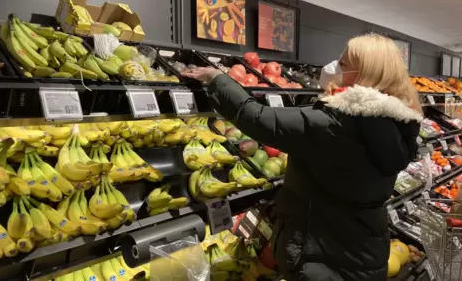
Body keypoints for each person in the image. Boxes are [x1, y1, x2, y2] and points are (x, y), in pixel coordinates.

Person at [181, 33, 422, 281]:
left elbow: (260, 119)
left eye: (343, 63)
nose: (333, 67)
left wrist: (218, 78)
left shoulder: (338, 122)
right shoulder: (392, 123)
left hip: (323, 256)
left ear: (365, 74)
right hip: (363, 250)